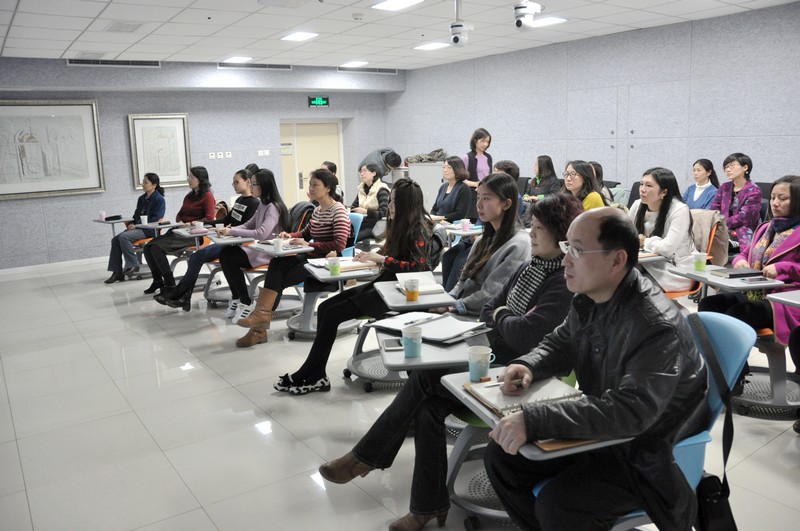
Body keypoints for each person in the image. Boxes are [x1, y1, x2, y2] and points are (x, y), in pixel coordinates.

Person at [317, 193, 581, 531]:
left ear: (560, 235)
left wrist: (504, 317)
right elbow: (491, 309)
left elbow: (525, 335)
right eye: (532, 226)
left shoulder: (563, 280)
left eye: (539, 228)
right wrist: (507, 316)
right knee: (428, 404)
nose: (531, 233)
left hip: (530, 374)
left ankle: (368, 460)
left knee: (427, 380)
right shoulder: (531, 267)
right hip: (496, 356)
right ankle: (423, 505)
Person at [484, 207, 707, 531]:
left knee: (559, 505)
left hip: (645, 451)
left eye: (577, 250)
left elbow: (631, 412)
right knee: (501, 457)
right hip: (605, 434)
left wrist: (535, 420)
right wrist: (527, 364)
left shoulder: (656, 326)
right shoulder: (590, 297)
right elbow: (561, 343)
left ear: (617, 260)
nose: (565, 260)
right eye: (567, 247)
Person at [275, 178, 433, 395]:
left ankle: (312, 375)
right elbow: (394, 257)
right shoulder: (400, 225)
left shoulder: (419, 229)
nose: (390, 206)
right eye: (391, 201)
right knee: (325, 308)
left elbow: (417, 268)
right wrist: (373, 256)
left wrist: (382, 259)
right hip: (385, 286)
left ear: (407, 205)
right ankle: (315, 373)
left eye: (395, 202)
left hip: (399, 295)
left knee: (332, 313)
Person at [234, 168, 350, 347]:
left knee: (276, 280)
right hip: (311, 256)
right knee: (277, 263)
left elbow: (339, 244)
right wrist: (291, 235)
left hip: (327, 262)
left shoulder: (338, 210)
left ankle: (258, 329)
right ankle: (259, 323)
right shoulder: (318, 210)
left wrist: (309, 245)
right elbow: (305, 233)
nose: (311, 188)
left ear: (328, 188)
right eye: (310, 185)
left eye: (315, 185)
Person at [699, 175, 800, 369]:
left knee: (737, 314)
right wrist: (740, 260)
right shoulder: (766, 228)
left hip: (784, 300)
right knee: (709, 304)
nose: (775, 203)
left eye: (783, 198)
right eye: (773, 197)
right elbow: (745, 252)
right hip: (755, 292)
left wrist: (783, 268)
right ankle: (721, 367)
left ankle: (734, 370)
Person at [154, 169, 260, 309]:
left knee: (197, 256)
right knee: (196, 257)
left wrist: (229, 232)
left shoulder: (254, 203)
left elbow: (247, 228)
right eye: (233, 182)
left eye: (236, 182)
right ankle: (183, 295)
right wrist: (202, 223)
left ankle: (181, 294)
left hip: (237, 244)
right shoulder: (240, 200)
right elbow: (225, 220)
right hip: (228, 240)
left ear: (248, 181)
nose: (234, 185)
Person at [441, 172, 531, 316]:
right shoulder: (482, 240)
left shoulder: (520, 244)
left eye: (486, 198)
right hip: (463, 309)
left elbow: (493, 293)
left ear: (506, 204)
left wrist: (454, 306)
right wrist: (446, 300)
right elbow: (462, 282)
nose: (478, 205)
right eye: (478, 198)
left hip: (482, 317)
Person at [142, 166, 216, 295]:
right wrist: (181, 222)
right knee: (148, 247)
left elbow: (209, 219)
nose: (189, 179)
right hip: (180, 230)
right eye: (188, 177)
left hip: (195, 234)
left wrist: (191, 223)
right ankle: (158, 281)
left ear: (200, 179)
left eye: (191, 177)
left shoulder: (208, 196)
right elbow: (179, 214)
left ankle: (169, 283)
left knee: (156, 248)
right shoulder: (189, 196)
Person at [628, 167, 696, 291]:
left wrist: (644, 241)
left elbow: (667, 249)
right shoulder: (638, 205)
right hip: (647, 262)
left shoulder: (679, 210)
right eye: (641, 184)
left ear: (664, 192)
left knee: (635, 287)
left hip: (675, 269)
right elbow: (625, 235)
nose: (642, 189)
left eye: (648, 185)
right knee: (617, 278)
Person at [104, 172, 166, 284]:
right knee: (115, 240)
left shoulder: (159, 199)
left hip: (150, 230)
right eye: (143, 182)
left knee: (124, 237)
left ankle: (133, 264)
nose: (143, 184)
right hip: (138, 228)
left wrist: (136, 225)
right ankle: (117, 272)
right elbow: (136, 215)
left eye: (145, 182)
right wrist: (131, 224)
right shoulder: (141, 198)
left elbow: (155, 219)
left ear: (154, 185)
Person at [709, 152, 762, 251]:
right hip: (723, 228)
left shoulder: (754, 190)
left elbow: (745, 217)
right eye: (726, 167)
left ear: (745, 167)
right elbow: (714, 208)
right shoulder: (725, 187)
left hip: (743, 230)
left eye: (732, 166)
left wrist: (722, 223)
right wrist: (718, 223)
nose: (728, 170)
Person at [350, 163, 390, 241]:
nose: (361, 174)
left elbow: (385, 212)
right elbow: (353, 207)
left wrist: (366, 211)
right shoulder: (361, 189)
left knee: (353, 239)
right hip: (361, 223)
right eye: (360, 172)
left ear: (374, 173)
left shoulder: (381, 189)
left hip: (375, 224)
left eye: (365, 171)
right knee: (344, 236)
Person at [462, 128, 492, 220]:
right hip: (472, 195)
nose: (485, 144)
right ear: (475, 140)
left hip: (486, 194)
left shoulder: (488, 157)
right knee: (473, 220)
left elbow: (490, 176)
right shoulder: (467, 157)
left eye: (487, 142)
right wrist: (476, 184)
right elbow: (461, 179)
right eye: (483, 141)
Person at [522, 155, 560, 227]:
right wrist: (526, 197)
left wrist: (537, 197)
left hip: (544, 208)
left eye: (536, 165)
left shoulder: (553, 180)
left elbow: (555, 196)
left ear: (543, 166)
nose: (534, 167)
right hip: (530, 206)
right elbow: (527, 192)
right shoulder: (534, 180)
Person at [430, 156, 471, 222]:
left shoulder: (464, 188)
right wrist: (431, 217)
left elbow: (459, 214)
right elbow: (434, 208)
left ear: (457, 169)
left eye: (449, 168)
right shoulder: (443, 187)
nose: (445, 170)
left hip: (452, 225)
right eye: (444, 167)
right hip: (437, 224)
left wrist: (440, 218)